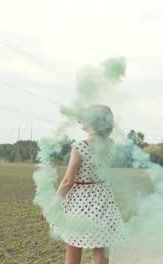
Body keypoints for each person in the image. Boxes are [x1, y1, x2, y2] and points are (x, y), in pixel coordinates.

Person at [42, 105, 125, 264]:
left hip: (80, 201)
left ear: (93, 120)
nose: (80, 119)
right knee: (102, 245)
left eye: (84, 116)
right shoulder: (111, 144)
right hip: (104, 199)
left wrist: (51, 207)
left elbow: (67, 182)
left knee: (74, 244)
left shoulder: (80, 146)